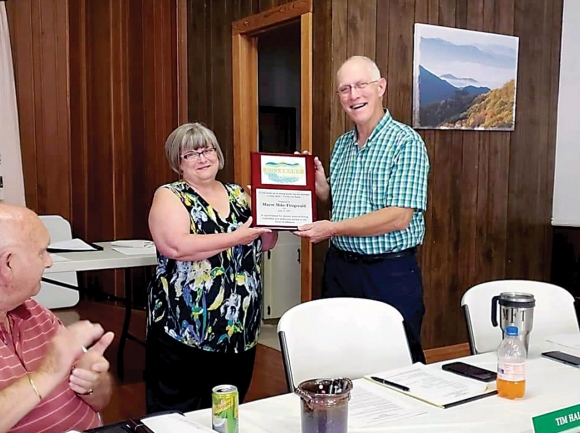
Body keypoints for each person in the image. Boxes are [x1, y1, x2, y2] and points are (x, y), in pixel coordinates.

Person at [295, 56, 430, 363]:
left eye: (361, 85)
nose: (353, 95)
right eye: (345, 89)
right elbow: (343, 203)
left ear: (380, 87)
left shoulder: (405, 142)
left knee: (397, 361)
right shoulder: (342, 145)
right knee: (339, 358)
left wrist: (332, 228)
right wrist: (320, 188)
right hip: (340, 269)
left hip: (388, 273)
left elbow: (399, 216)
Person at [146, 122, 278, 413]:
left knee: (227, 411)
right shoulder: (170, 195)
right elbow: (176, 247)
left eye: (207, 150)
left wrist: (264, 207)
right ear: (178, 162)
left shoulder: (238, 194)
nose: (202, 158)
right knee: (178, 414)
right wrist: (238, 236)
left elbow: (265, 243)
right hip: (186, 330)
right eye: (190, 154)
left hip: (239, 330)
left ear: (218, 154)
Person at [0, 204, 114, 433]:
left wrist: (93, 383)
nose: (49, 262)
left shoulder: (36, 313)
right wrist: (49, 372)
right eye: (42, 252)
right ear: (8, 264)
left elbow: (100, 401)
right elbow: (52, 370)